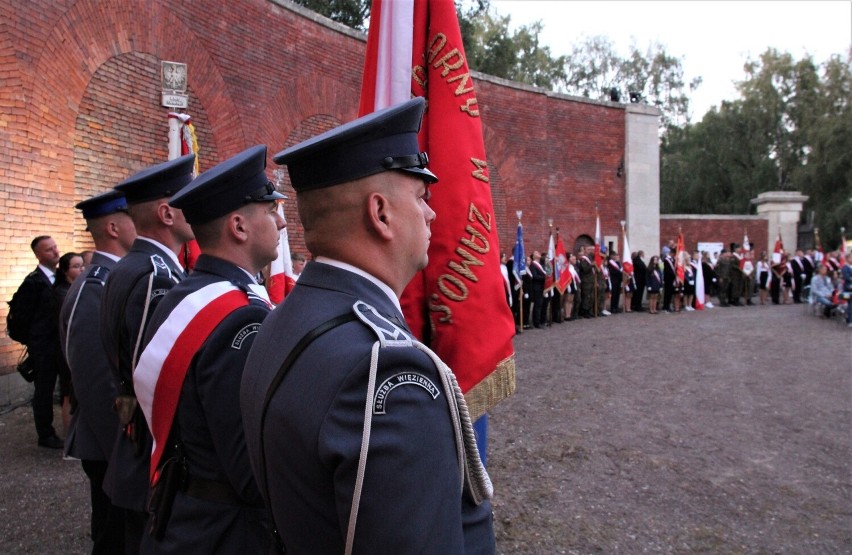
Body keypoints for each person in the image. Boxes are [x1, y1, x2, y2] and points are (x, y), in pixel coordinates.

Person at [240, 98, 495, 554]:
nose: (431, 213)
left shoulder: (278, 320)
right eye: (420, 197)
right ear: (380, 214)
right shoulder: (388, 371)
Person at [133, 145, 284, 552]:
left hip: (183, 513)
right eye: (270, 211)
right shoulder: (241, 318)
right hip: (222, 533)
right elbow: (251, 470)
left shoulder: (185, 293)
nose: (282, 222)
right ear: (239, 226)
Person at [100, 153, 197, 553]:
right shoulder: (157, 274)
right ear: (166, 213)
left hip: (135, 443)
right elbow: (154, 376)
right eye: (189, 197)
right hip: (150, 453)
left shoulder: (130, 265)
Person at [60, 190, 136, 554]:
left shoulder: (115, 278)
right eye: (132, 216)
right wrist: (126, 447)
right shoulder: (96, 286)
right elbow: (94, 380)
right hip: (108, 443)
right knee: (114, 538)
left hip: (116, 443)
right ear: (113, 226)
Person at [13, 236, 64, 448]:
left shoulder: (60, 278)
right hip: (44, 348)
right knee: (44, 390)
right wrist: (35, 342)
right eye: (49, 250)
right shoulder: (33, 283)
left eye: (55, 247)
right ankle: (45, 433)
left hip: (61, 344)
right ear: (39, 255)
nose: (55, 252)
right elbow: (19, 318)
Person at [53, 251, 84, 435]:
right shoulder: (62, 293)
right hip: (65, 348)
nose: (81, 269)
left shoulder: (76, 288)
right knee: (67, 393)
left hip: (73, 347)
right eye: (76, 266)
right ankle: (69, 433)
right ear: (65, 271)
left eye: (82, 265)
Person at [529, 250, 546, 328]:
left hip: (542, 287)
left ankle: (541, 320)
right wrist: (544, 278)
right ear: (533, 256)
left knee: (541, 304)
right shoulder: (533, 265)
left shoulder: (541, 265)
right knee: (537, 305)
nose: (538, 253)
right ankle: (536, 322)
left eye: (538, 252)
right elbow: (535, 276)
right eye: (536, 253)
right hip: (537, 287)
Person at [840, 252, 852, 327]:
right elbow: (846, 277)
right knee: (851, 304)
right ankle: (850, 320)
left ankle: (848, 318)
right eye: (851, 257)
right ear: (847, 259)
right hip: (847, 290)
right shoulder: (845, 267)